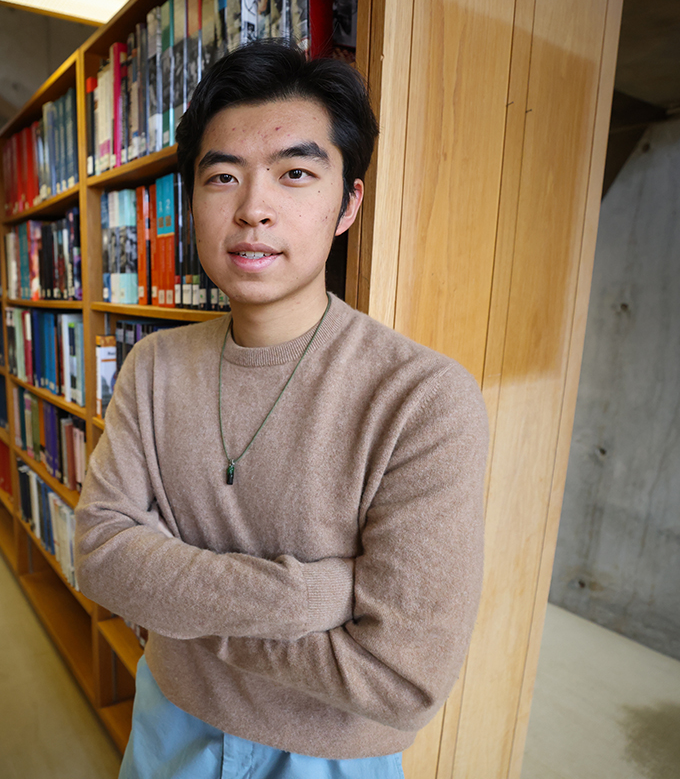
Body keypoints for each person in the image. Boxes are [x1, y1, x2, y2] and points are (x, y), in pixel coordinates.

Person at [74, 40, 490, 779]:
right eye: (223, 176)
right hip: (167, 722)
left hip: (330, 760)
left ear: (347, 204)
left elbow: (401, 680)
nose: (253, 209)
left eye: (294, 174)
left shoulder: (423, 400)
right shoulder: (154, 368)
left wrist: (181, 608)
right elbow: (101, 557)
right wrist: (314, 594)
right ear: (192, 201)